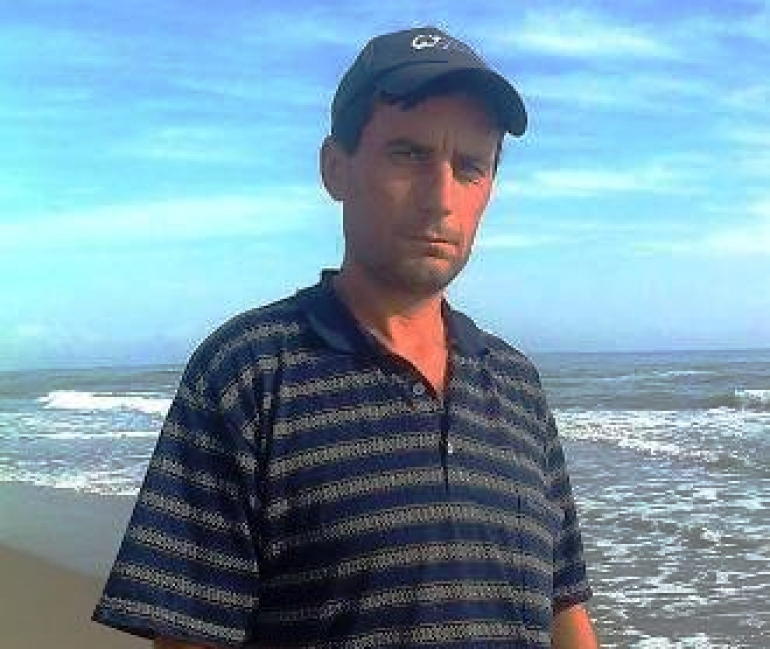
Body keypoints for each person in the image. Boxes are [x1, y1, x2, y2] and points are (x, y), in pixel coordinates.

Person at [93, 26, 600, 648]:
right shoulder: (248, 374)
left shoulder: (515, 383)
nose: (440, 198)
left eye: (469, 167)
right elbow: (190, 635)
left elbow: (563, 609)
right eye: (408, 154)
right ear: (336, 169)